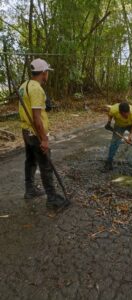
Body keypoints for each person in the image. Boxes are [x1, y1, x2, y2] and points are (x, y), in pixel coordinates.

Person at [19, 58, 70, 210]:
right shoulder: (36, 89)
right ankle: (52, 199)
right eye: (47, 72)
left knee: (30, 161)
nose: (47, 75)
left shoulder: (24, 85)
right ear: (43, 73)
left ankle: (30, 190)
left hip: (25, 131)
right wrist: (44, 139)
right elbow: (36, 118)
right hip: (35, 132)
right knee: (46, 165)